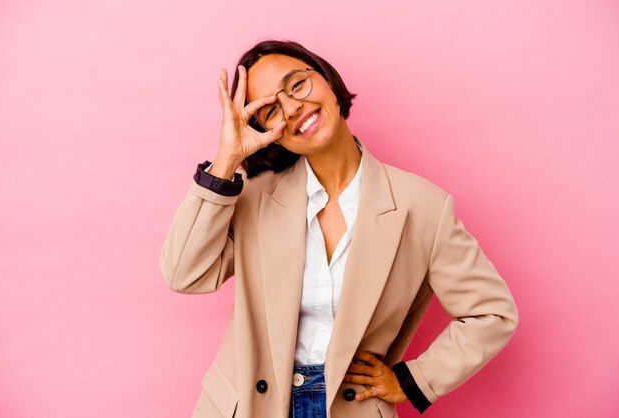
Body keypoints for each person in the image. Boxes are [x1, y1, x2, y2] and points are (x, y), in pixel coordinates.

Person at [159, 39, 519, 418]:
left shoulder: (422, 206)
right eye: (270, 109)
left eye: (297, 84)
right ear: (266, 130)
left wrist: (414, 380)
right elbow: (184, 273)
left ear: (328, 79)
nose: (293, 106)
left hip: (351, 407)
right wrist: (226, 159)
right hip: (246, 406)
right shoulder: (253, 197)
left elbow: (492, 312)